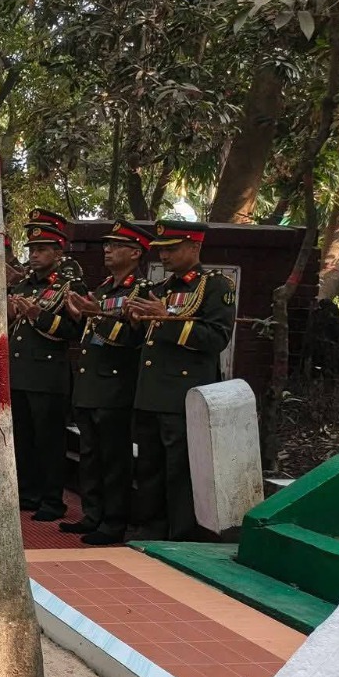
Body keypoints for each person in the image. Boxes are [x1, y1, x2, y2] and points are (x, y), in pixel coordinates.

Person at [128, 220, 236, 541]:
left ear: (195, 247)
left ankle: (179, 538)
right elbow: (146, 339)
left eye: (172, 249)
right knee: (148, 468)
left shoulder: (214, 285)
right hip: (150, 393)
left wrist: (167, 319)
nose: (164, 256)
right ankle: (150, 532)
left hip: (182, 395)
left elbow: (217, 337)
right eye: (161, 250)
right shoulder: (160, 289)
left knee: (179, 472)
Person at [61, 220, 152, 545]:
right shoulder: (102, 290)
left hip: (115, 387)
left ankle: (114, 521)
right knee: (90, 456)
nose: (108, 250)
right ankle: (93, 513)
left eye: (115, 245)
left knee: (114, 458)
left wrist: (94, 315)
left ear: (135, 252)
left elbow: (131, 338)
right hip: (90, 386)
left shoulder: (140, 292)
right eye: (106, 245)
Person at [8, 209, 85, 521]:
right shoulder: (26, 285)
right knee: (23, 438)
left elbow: (74, 331)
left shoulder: (71, 286)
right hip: (21, 372)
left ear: (58, 252)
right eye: (32, 250)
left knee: (49, 442)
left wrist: (38, 316)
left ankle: (53, 500)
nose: (35, 255)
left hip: (48, 374)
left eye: (41, 250)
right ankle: (28, 493)